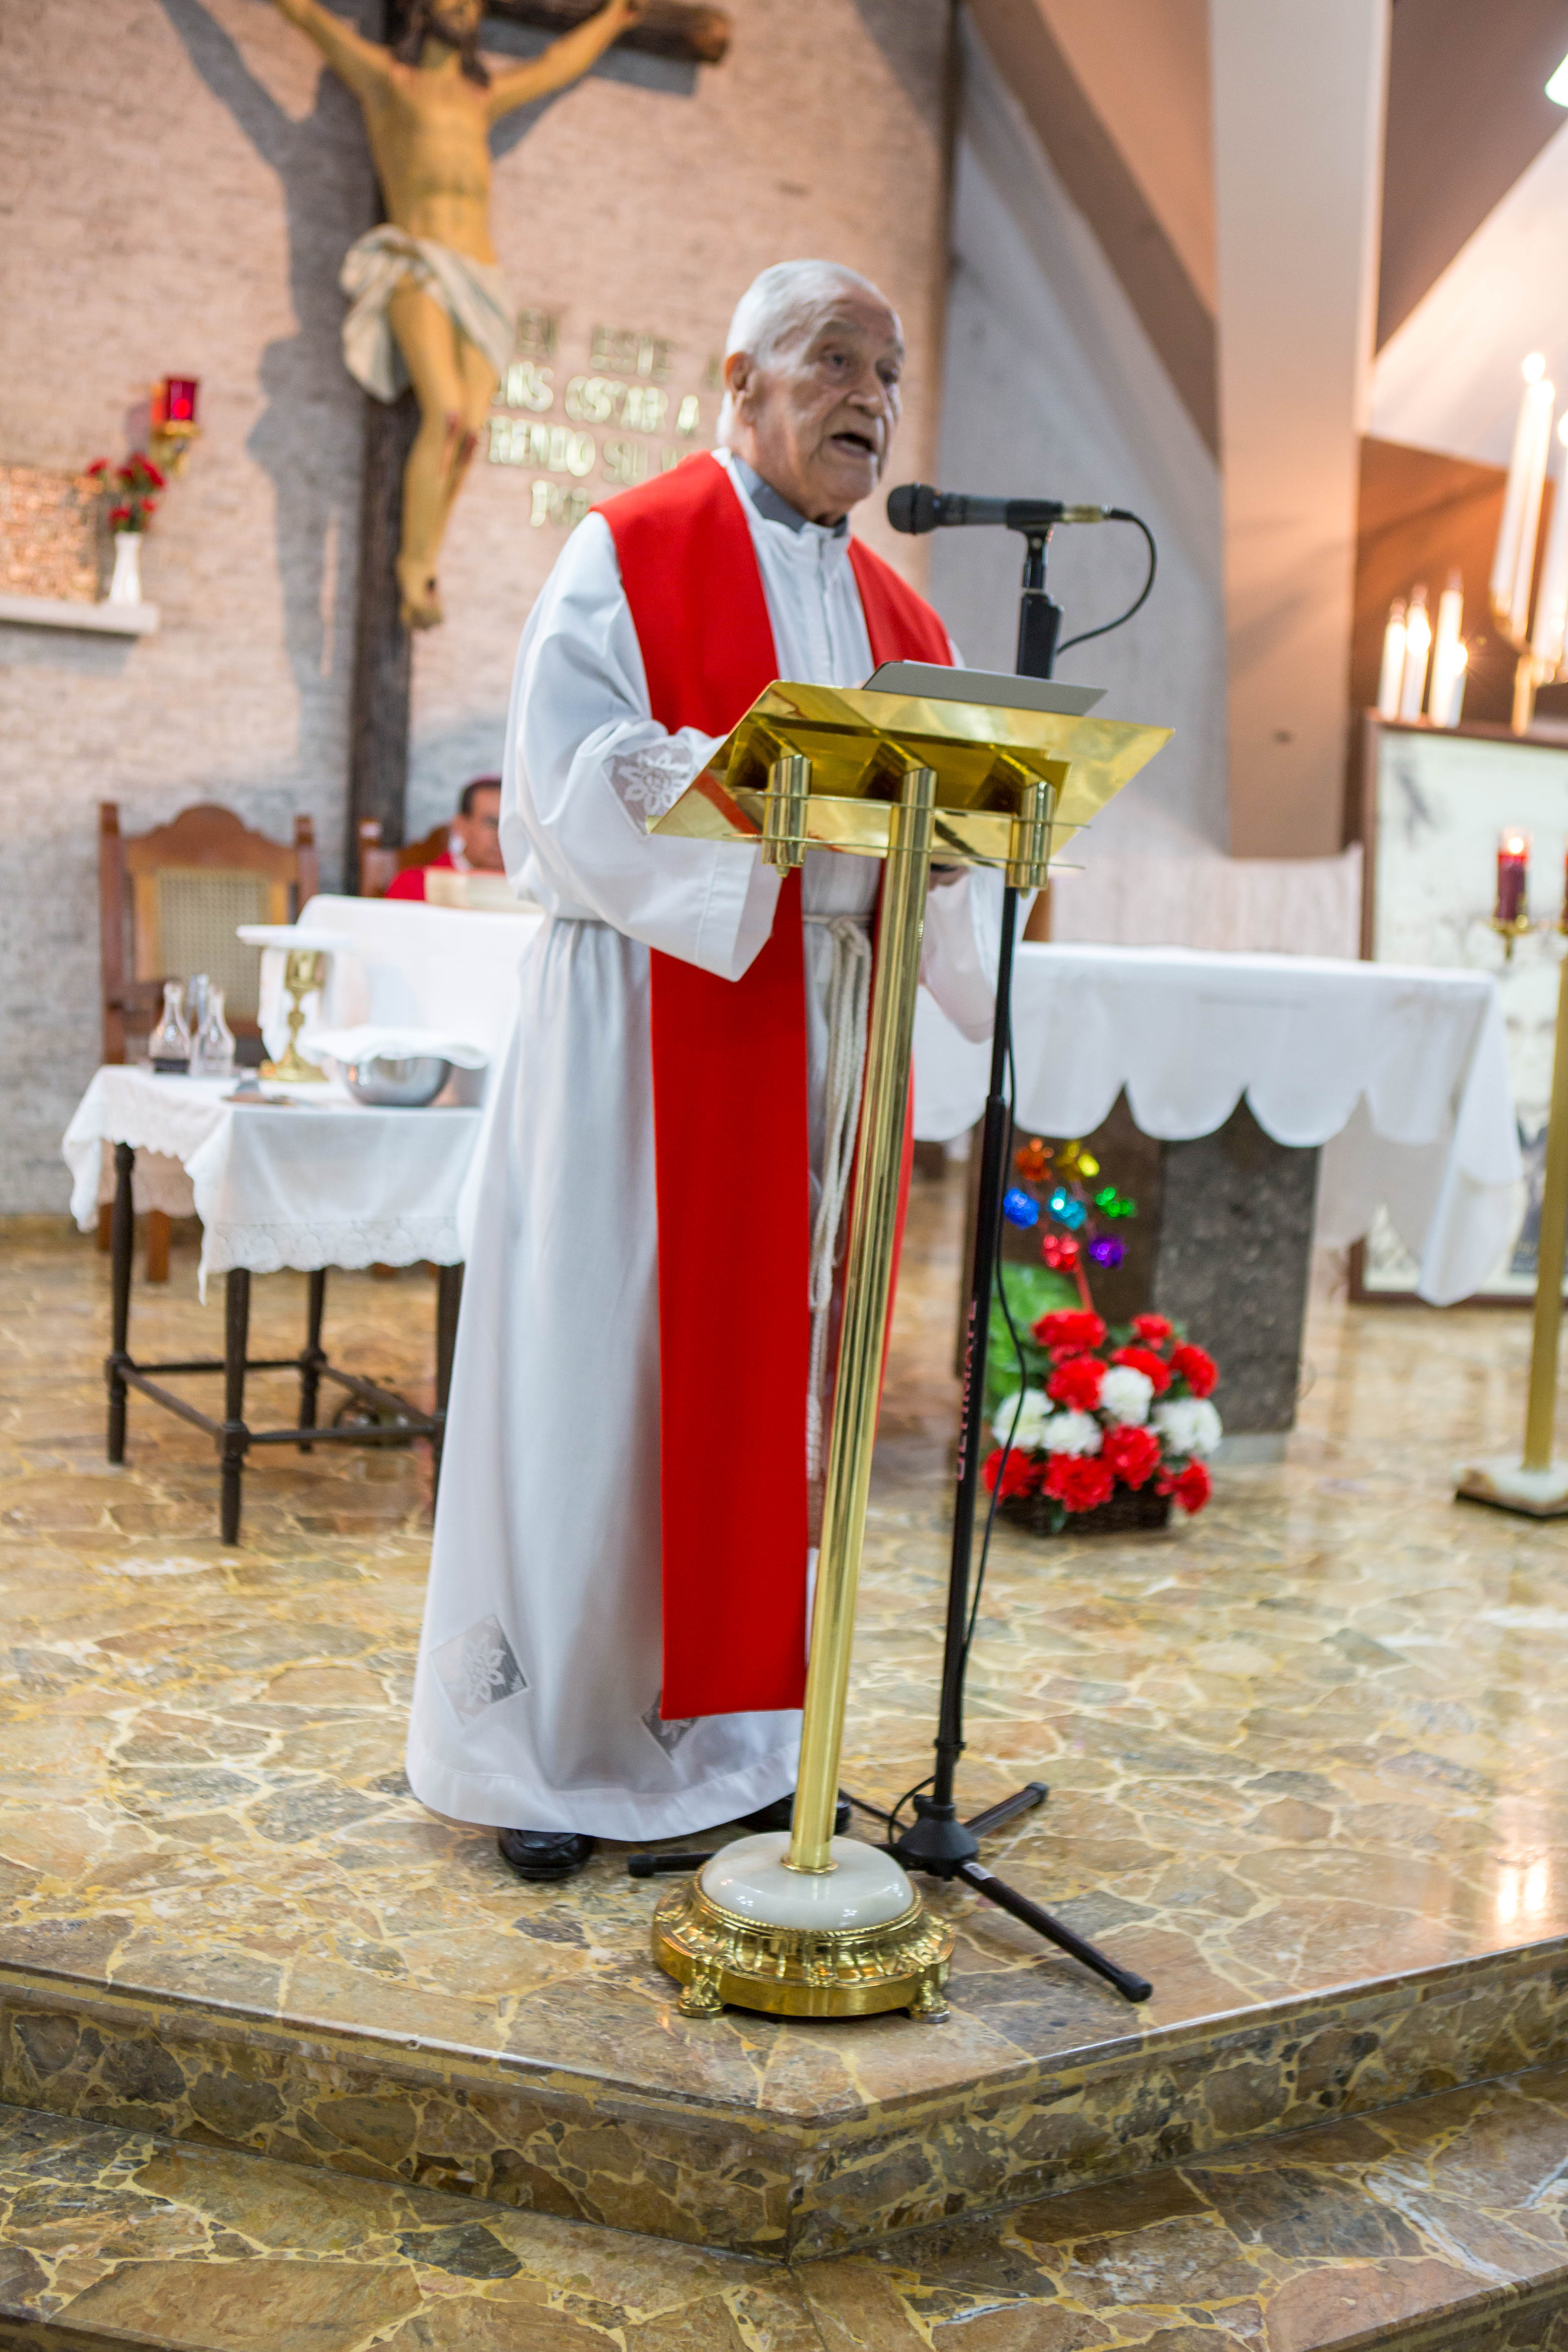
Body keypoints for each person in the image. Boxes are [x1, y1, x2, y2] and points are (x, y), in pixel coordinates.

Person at [405, 260, 1002, 1881]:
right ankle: (554, 1753)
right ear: (739, 380)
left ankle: (736, 1746)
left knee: (771, 1392)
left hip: (810, 1037)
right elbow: (574, 775)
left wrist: (960, 846)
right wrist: (791, 808)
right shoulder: (631, 547)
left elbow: (934, 843)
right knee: (600, 1382)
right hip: (645, 1030)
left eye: (888, 370)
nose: (872, 396)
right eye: (834, 362)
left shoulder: (909, 618)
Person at [265, 0, 641, 628]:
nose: (463, 8)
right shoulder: (389, 80)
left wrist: (615, 18)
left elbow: (554, 66)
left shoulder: (481, 96)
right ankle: (413, 568)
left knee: (468, 433)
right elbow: (306, 16)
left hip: (482, 277)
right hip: (419, 265)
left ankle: (429, 558)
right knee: (445, 411)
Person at [387, 776, 503, 901]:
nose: (502, 835)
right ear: (461, 826)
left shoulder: (524, 890)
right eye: (492, 823)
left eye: (513, 825)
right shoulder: (414, 887)